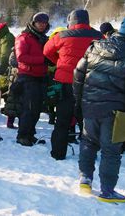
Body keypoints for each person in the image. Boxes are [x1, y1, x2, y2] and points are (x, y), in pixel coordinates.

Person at [73, 15, 125, 202]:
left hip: (90, 106)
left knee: (88, 142)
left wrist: (79, 101)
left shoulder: (95, 46)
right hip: (117, 112)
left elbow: (78, 75)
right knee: (111, 151)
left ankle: (85, 179)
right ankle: (107, 190)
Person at [44, 10, 102, 160]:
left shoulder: (62, 35)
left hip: (66, 82)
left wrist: (59, 61)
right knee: (87, 122)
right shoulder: (98, 36)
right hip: (89, 83)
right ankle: (88, 155)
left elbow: (46, 51)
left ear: (71, 21)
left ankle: (58, 153)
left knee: (62, 120)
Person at [14, 12, 49, 146]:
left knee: (37, 108)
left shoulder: (44, 39)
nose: (42, 25)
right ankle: (22, 135)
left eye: (44, 22)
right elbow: (21, 57)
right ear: (33, 23)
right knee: (28, 108)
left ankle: (30, 134)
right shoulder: (24, 38)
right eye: (39, 22)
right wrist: (43, 60)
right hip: (28, 77)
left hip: (41, 77)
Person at [0, 22, 16, 128]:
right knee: (0, 89)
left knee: (2, 90)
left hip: (6, 70)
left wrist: (0, 69)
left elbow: (4, 55)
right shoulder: (4, 38)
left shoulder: (7, 39)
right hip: (4, 68)